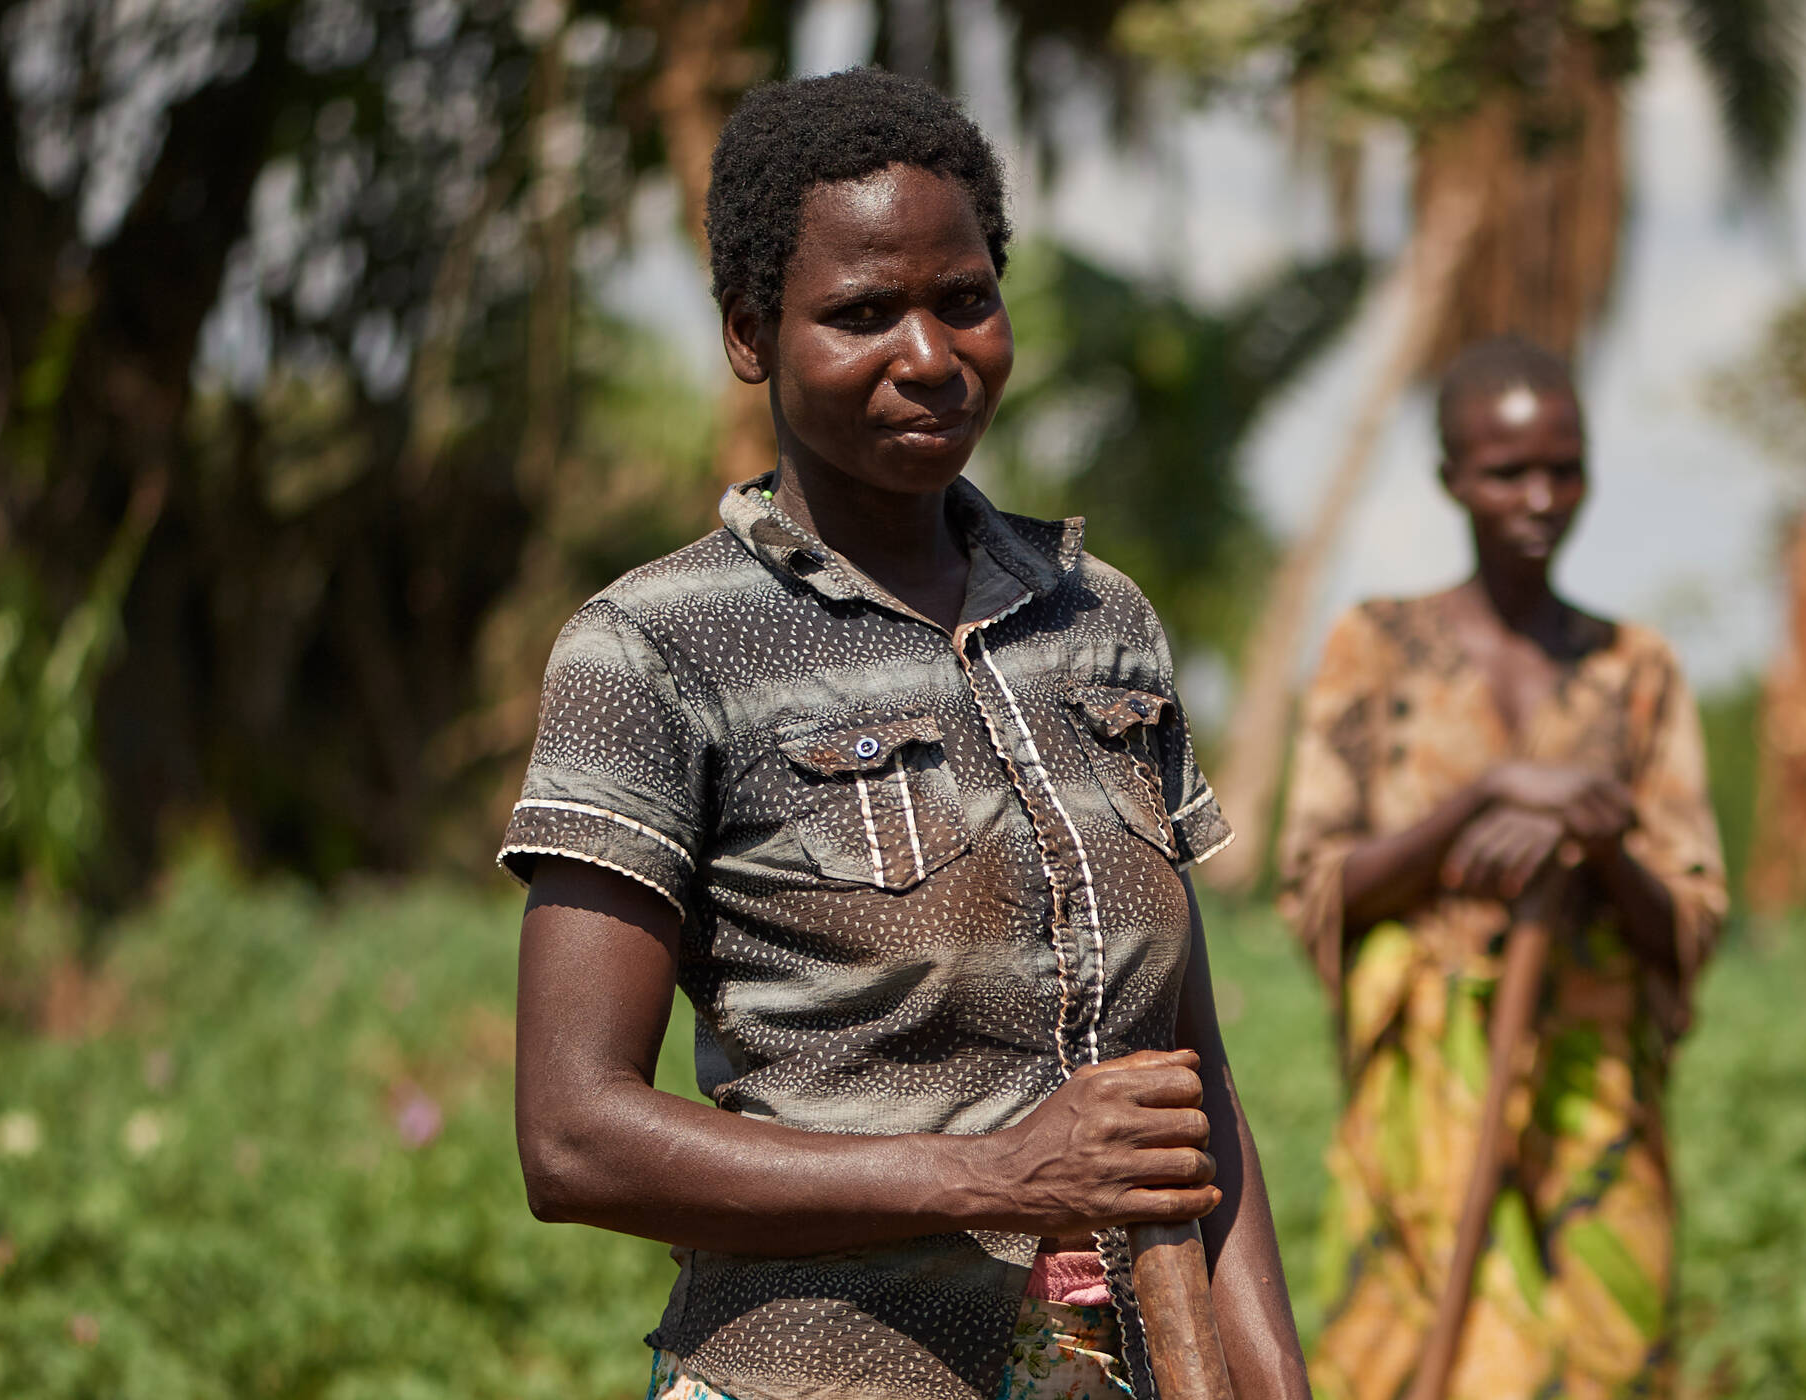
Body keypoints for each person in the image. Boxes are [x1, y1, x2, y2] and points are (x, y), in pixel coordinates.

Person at [500, 70, 1307, 1400]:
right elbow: (573, 1140)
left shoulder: (1099, 625)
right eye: (863, 314)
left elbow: (1190, 1076)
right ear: (752, 335)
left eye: (966, 299)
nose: (929, 354)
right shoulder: (655, 649)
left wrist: (1273, 1382)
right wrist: (993, 1174)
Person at [1274, 337, 1728, 1400]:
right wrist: (1481, 801)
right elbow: (1316, 890)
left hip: (1592, 1095)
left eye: (1561, 467)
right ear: (1451, 480)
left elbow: (1690, 920)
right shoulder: (1376, 647)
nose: (1538, 496)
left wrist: (1595, 836)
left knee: (1606, 1355)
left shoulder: (1635, 667)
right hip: (1419, 1090)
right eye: (1504, 471)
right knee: (1420, 1356)